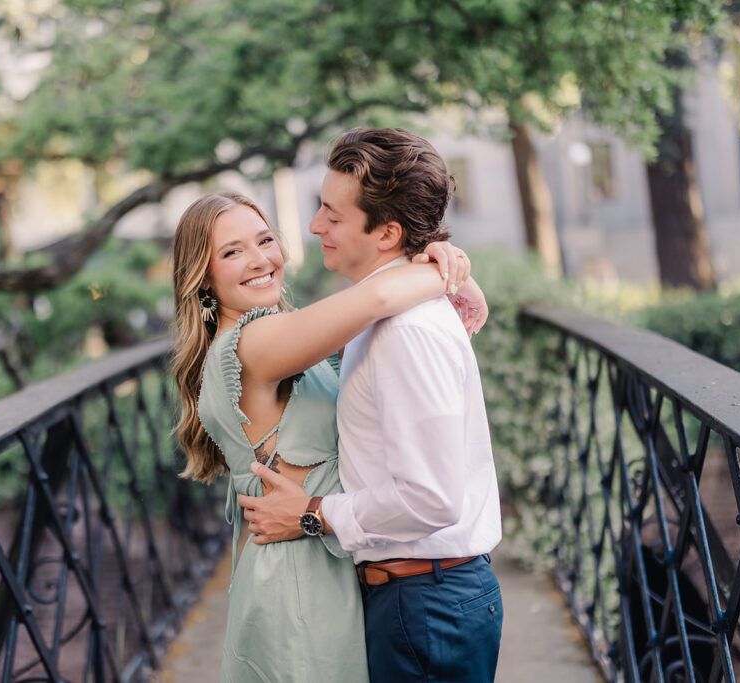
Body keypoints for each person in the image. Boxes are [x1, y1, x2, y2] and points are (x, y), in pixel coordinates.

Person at [171, 190, 487, 682]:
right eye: (232, 252)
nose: (260, 260)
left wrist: (450, 263)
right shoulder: (252, 344)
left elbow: (408, 315)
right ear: (203, 277)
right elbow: (380, 296)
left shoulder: (289, 338)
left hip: (328, 562)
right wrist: (447, 267)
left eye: (265, 240)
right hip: (300, 580)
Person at [238, 127, 503, 683]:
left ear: (387, 233)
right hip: (418, 598)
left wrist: (312, 514)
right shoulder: (384, 315)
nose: (315, 227)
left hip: (423, 604)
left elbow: (432, 498)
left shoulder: (404, 331)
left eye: (333, 216)